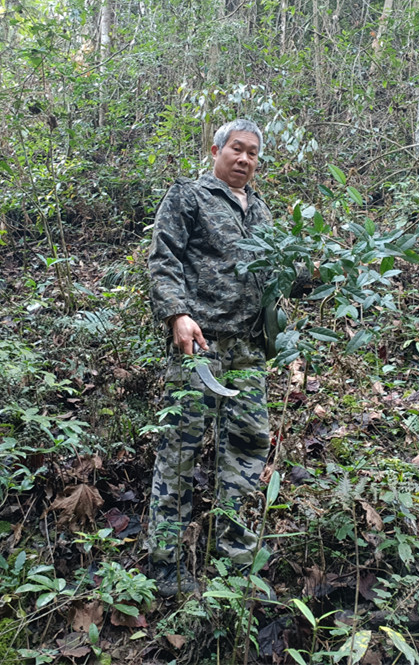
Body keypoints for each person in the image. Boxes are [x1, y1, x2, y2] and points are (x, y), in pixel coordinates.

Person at [146, 118, 272, 597]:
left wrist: (319, 268)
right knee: (180, 449)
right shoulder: (188, 196)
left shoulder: (260, 210)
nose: (244, 159)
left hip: (247, 347)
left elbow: (275, 271)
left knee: (246, 448)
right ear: (215, 149)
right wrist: (177, 313)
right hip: (198, 344)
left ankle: (234, 565)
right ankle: (166, 568)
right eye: (236, 149)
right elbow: (164, 259)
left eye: (253, 154)